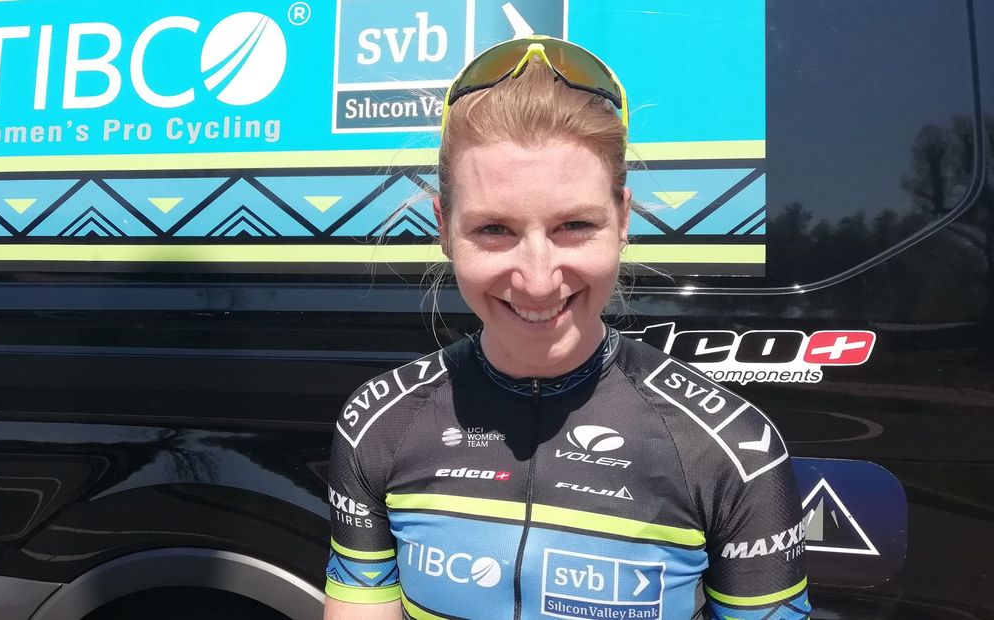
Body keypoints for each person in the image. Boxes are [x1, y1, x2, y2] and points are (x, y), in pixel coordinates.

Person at [324, 36, 810, 620]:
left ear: (623, 219)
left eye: (574, 225)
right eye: (494, 229)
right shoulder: (378, 424)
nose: (537, 280)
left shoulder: (732, 447)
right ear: (444, 228)